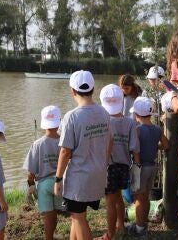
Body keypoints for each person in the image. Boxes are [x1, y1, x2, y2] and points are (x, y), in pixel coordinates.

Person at [54, 70, 110, 240]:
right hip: (99, 173)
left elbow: (65, 151)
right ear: (93, 89)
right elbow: (110, 141)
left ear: (72, 91)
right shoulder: (104, 113)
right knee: (77, 216)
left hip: (79, 177)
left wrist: (57, 179)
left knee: (79, 218)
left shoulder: (71, 117)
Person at [99, 84, 140, 240]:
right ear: (121, 102)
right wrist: (137, 167)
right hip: (124, 166)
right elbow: (135, 147)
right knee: (118, 197)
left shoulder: (104, 121)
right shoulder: (130, 123)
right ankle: (121, 225)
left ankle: (110, 234)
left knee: (110, 201)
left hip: (109, 166)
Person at [127, 97, 169, 237]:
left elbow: (133, 148)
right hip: (152, 167)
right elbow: (166, 145)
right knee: (145, 198)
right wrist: (155, 146)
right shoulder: (157, 129)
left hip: (140, 168)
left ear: (137, 114)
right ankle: (142, 224)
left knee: (139, 199)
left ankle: (139, 229)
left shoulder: (137, 130)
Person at [23, 105, 63, 240]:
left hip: (44, 185)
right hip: (60, 183)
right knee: (59, 213)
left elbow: (31, 171)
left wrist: (30, 185)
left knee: (48, 216)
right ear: (60, 121)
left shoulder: (37, 144)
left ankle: (49, 238)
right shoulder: (65, 141)